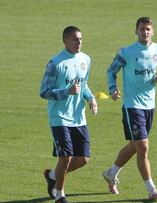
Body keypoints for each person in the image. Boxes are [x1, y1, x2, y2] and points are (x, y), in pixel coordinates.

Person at [102, 17, 157, 201]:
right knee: (143, 146)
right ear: (136, 31)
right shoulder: (126, 52)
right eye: (142, 29)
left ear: (153, 31)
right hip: (132, 106)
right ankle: (151, 189)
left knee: (135, 146)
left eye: (148, 29)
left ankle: (111, 173)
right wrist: (113, 89)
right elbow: (111, 70)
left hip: (150, 105)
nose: (145, 32)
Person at [40, 26, 98, 203]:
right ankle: (60, 194)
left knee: (83, 159)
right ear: (65, 41)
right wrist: (66, 92)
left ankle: (52, 176)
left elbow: (84, 84)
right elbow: (44, 91)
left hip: (78, 117)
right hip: (60, 117)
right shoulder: (55, 63)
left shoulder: (85, 59)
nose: (79, 42)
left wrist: (91, 98)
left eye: (80, 39)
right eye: (75, 39)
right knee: (65, 157)